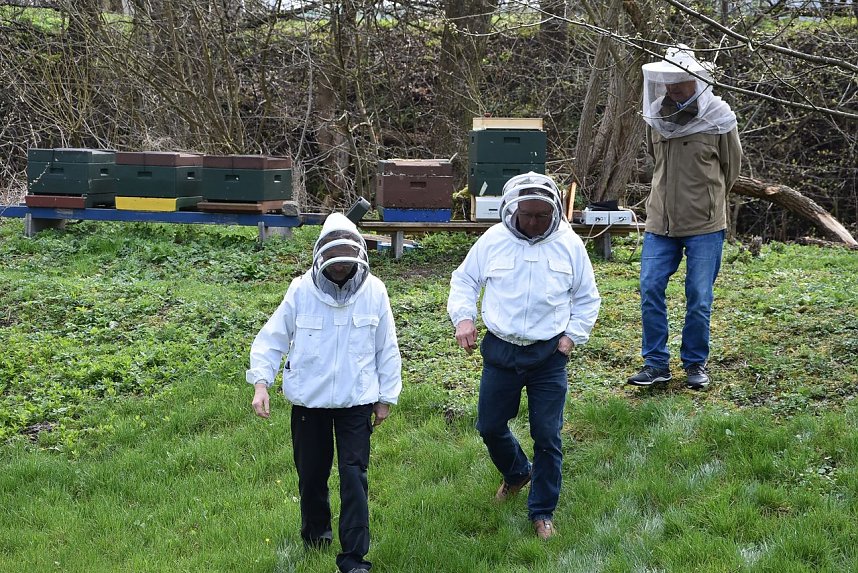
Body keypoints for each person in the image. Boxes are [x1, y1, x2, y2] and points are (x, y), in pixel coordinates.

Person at [447, 172, 601, 540]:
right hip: (501, 348)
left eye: (541, 216)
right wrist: (464, 319)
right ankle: (517, 472)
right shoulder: (493, 240)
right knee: (489, 426)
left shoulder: (569, 244)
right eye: (527, 215)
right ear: (513, 209)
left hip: (549, 354)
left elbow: (587, 297)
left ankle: (542, 512)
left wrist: (571, 338)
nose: (534, 222)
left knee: (547, 436)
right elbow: (464, 280)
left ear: (554, 212)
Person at [246, 213, 402, 573]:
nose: (340, 266)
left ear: (358, 254)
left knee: (354, 476)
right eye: (334, 258)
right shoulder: (301, 290)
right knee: (312, 474)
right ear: (320, 255)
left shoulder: (375, 291)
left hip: (356, 401)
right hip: (309, 402)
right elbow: (273, 337)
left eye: (346, 258)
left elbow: (387, 347)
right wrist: (261, 383)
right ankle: (316, 537)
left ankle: (354, 559)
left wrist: (386, 398)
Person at [627, 44, 742, 390]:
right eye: (668, 80)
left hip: (705, 224)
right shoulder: (656, 117)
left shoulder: (720, 117)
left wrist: (706, 200)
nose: (673, 87)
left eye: (680, 80)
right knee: (650, 288)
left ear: (697, 80)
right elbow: (656, 161)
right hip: (659, 221)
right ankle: (655, 364)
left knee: (699, 295)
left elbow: (731, 169)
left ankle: (695, 363)